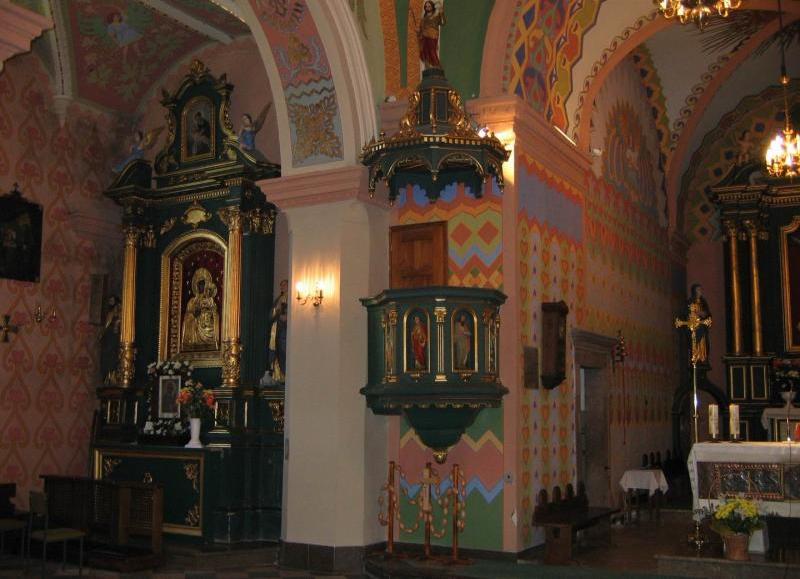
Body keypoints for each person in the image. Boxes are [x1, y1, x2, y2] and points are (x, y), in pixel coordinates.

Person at [181, 268, 219, 350]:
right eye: (199, 284)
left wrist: (210, 311)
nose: (201, 286)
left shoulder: (210, 300)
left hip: (208, 325)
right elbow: (187, 317)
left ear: (206, 285)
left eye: (202, 284)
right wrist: (194, 315)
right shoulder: (192, 301)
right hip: (196, 327)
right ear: (196, 285)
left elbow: (215, 313)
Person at [267, 279, 288, 384]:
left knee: (283, 351)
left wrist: (286, 317)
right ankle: (278, 376)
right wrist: (276, 310)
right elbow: (271, 314)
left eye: (284, 285)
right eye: (281, 285)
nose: (282, 287)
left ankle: (285, 375)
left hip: (285, 331)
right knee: (276, 352)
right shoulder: (279, 299)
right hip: (276, 329)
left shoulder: (291, 297)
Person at [99, 295, 121, 384]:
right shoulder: (110, 314)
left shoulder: (120, 314)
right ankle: (107, 377)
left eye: (112, 301)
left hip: (116, 338)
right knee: (108, 356)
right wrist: (102, 334)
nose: (110, 302)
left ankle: (113, 377)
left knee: (114, 356)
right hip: (110, 337)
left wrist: (117, 324)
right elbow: (106, 326)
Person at [688, 284, 711, 365]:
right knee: (695, 344)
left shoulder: (703, 302)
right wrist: (695, 314)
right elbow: (688, 314)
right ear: (694, 291)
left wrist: (704, 314)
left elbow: (708, 315)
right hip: (695, 329)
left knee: (703, 344)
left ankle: (703, 359)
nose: (700, 292)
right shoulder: (690, 302)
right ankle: (696, 359)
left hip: (702, 328)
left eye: (700, 290)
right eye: (698, 290)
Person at [418, 1, 445, 69]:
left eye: (429, 6)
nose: (427, 8)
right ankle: (428, 69)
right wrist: (419, 31)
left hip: (432, 36)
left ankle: (439, 68)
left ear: (432, 7)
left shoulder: (436, 16)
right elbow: (421, 28)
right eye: (426, 6)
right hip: (424, 37)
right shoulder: (424, 18)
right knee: (425, 53)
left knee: (432, 53)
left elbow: (443, 23)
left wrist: (441, 12)